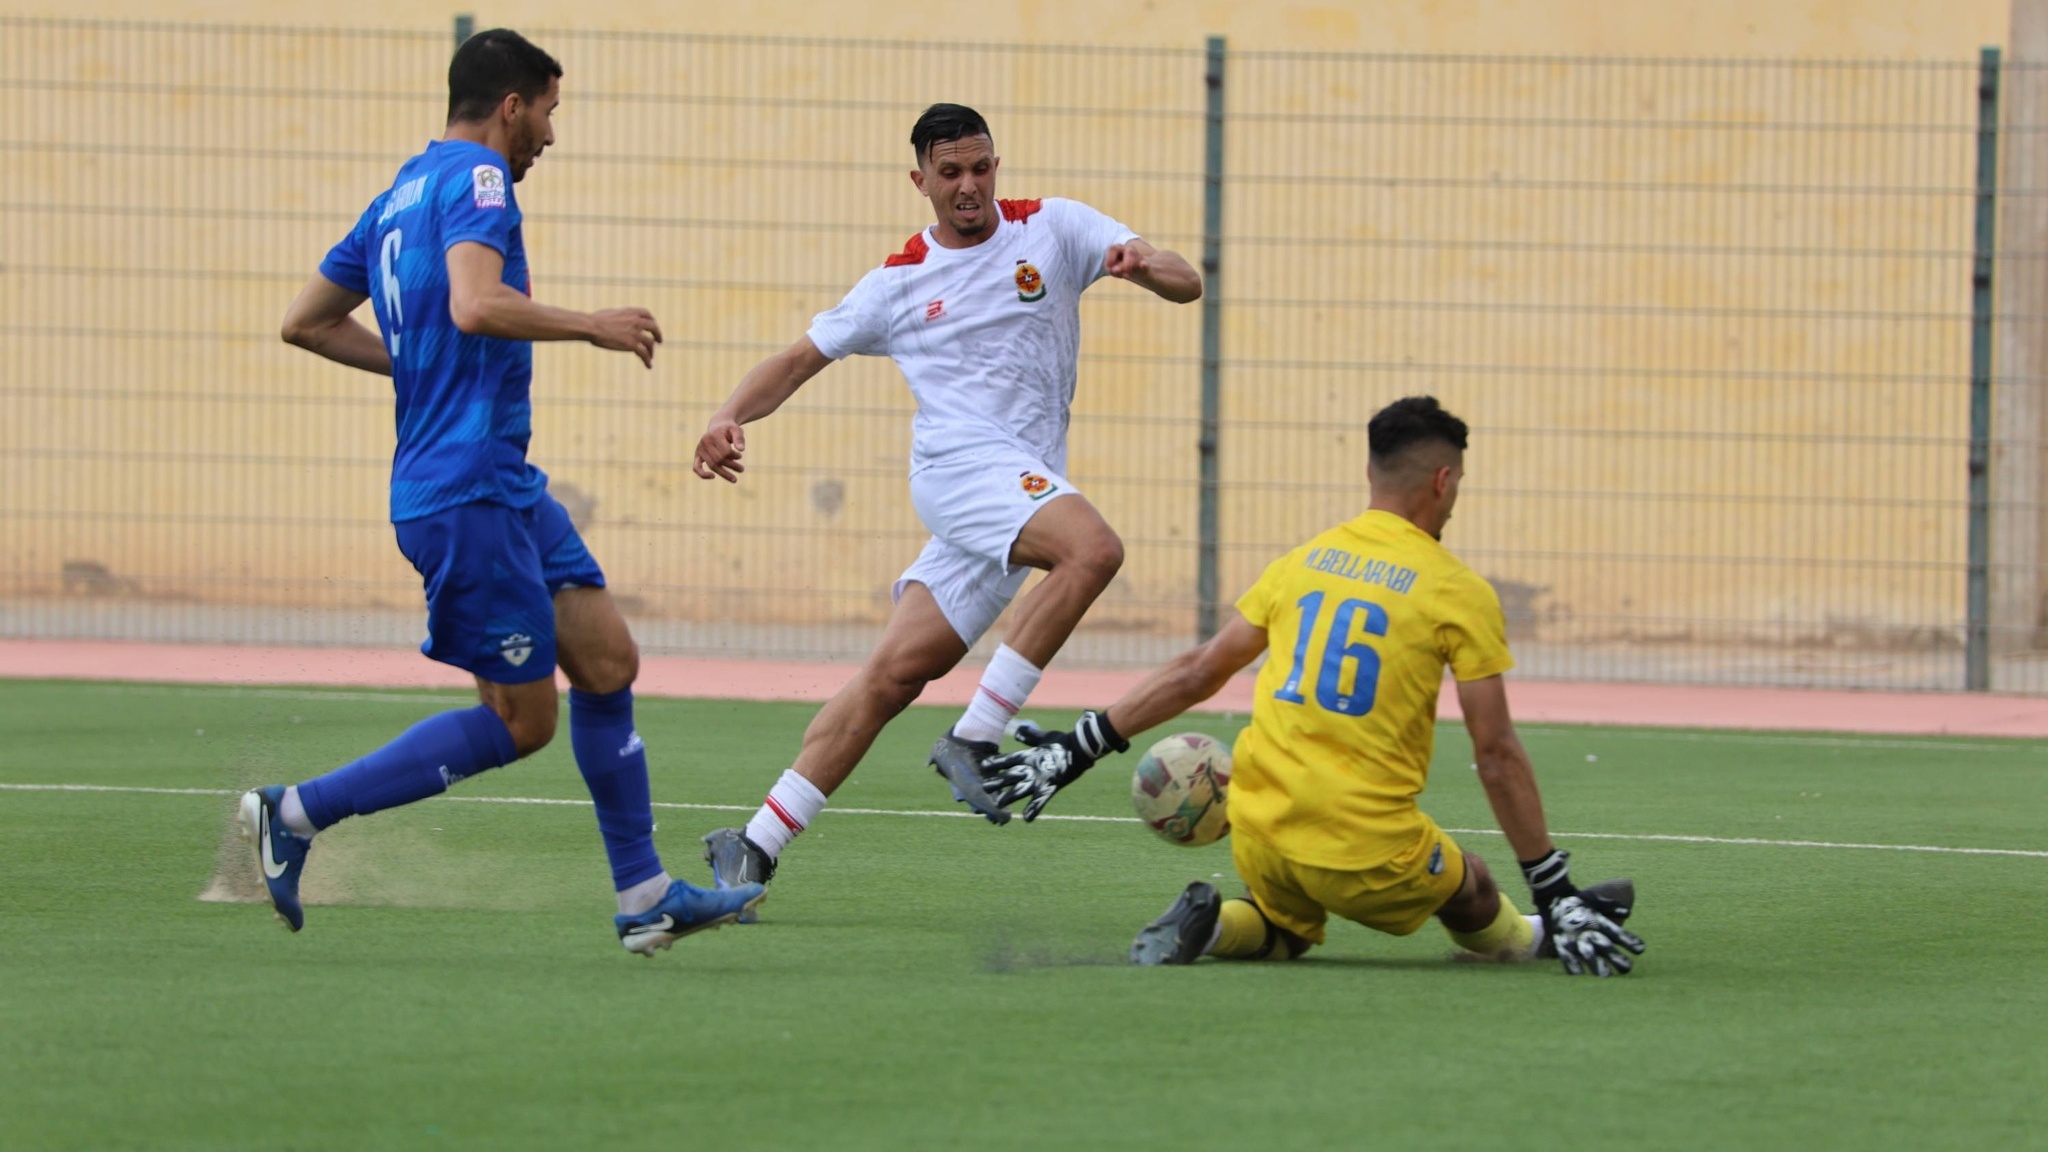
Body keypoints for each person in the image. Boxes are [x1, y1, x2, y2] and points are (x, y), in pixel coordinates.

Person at [245, 28, 761, 954]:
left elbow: (305, 324)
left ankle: (645, 895)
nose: (551, 138)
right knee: (522, 722)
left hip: (504, 486)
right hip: (464, 491)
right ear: (512, 106)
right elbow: (477, 304)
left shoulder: (401, 191)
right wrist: (592, 324)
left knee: (608, 662)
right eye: (550, 113)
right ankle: (295, 814)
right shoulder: (480, 181)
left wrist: (414, 368)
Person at [691, 103, 1202, 917]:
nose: (971, 186)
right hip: (961, 472)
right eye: (952, 172)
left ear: (997, 164)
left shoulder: (1055, 228)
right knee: (1094, 550)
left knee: (892, 675)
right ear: (920, 180)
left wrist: (1143, 263)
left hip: (1019, 483)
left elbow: (1185, 279)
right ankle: (975, 734)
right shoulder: (896, 282)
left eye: (982, 167)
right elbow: (796, 360)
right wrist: (728, 418)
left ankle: (754, 843)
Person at [977, 396, 1647, 975]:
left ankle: (1210, 928)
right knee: (1470, 883)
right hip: (1367, 852)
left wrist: (1079, 746)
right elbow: (1496, 753)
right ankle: (1543, 928)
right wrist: (1552, 883)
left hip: (1259, 831)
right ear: (1443, 481)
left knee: (1286, 931)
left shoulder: (1304, 561)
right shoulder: (1457, 590)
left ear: (1369, 472)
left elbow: (1200, 669)